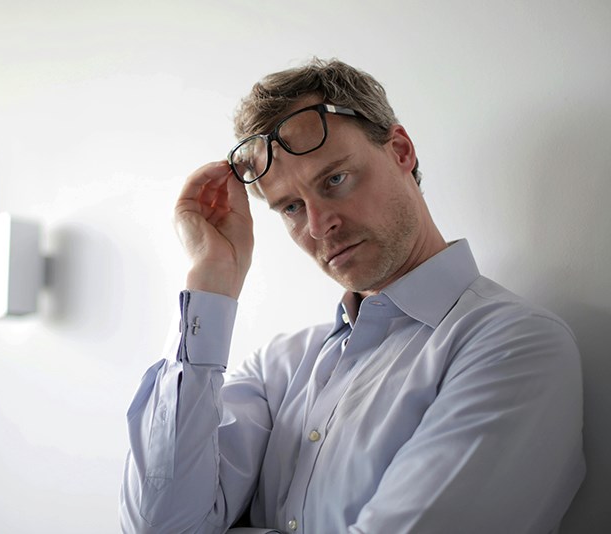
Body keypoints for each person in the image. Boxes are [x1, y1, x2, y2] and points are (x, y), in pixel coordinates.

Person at [119, 58, 585, 533]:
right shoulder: (279, 368)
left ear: (400, 151)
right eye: (292, 207)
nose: (319, 225)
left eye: (335, 180)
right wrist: (212, 278)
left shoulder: (514, 345)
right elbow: (161, 525)